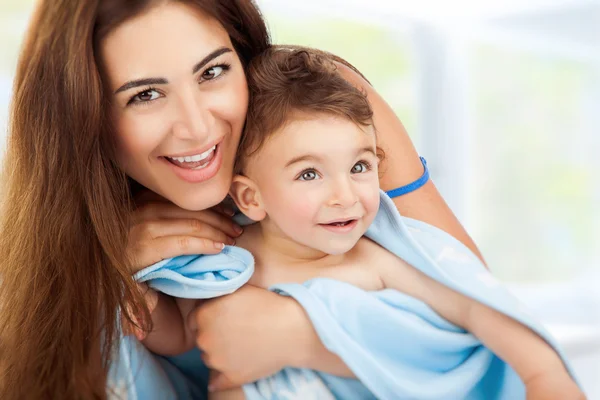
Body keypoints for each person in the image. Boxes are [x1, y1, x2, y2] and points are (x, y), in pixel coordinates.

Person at [0, 0, 491, 398]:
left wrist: (306, 336)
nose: (196, 127)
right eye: (145, 95)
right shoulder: (62, 226)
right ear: (82, 115)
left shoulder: (318, 110)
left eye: (212, 72)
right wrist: (99, 277)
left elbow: (481, 310)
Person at [134, 46, 583, 400]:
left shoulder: (372, 262)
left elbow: (474, 306)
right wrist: (142, 307)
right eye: (309, 174)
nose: (345, 196)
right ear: (251, 197)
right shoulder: (227, 259)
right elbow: (184, 337)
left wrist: (542, 374)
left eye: (361, 167)